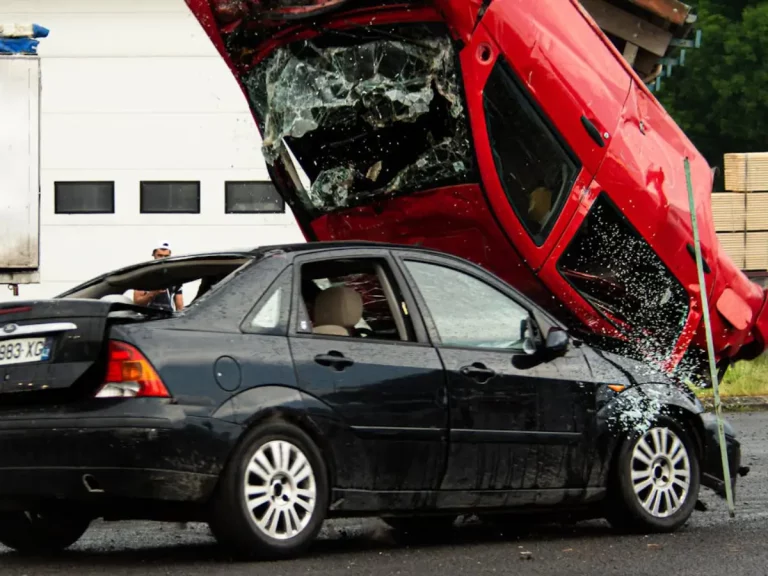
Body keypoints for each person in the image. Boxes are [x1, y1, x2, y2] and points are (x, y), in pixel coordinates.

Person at [132, 241, 184, 311]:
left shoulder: (175, 277)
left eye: (166, 256)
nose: (163, 259)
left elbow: (180, 308)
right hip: (148, 318)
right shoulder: (144, 276)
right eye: (160, 255)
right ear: (154, 254)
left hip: (168, 318)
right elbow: (137, 303)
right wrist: (153, 293)